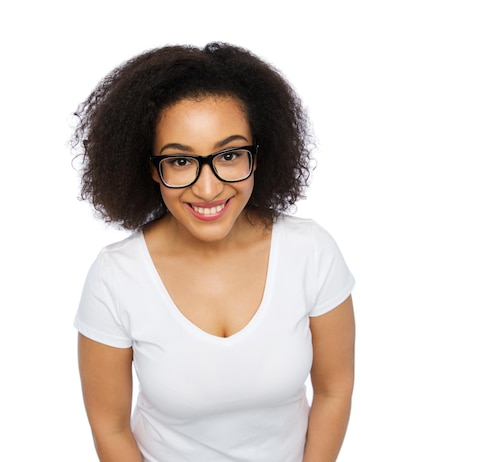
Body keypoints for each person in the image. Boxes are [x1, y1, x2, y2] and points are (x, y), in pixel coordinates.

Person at [72, 42, 355, 462]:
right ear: (152, 168)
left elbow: (334, 390)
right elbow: (109, 428)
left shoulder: (310, 253)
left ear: (258, 154)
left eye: (229, 154)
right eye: (181, 162)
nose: (208, 189)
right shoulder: (117, 277)